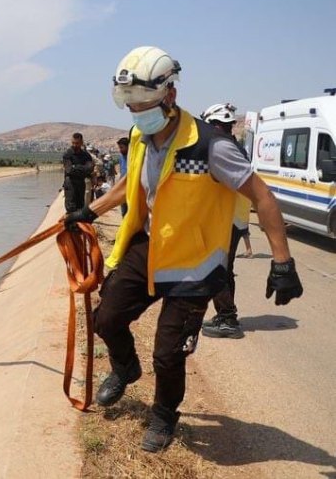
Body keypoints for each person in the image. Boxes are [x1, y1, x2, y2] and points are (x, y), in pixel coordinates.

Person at [64, 46, 303, 452]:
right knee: (106, 318)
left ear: (169, 95)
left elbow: (262, 196)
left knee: (168, 352)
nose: (136, 112)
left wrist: (282, 261)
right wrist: (90, 209)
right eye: (130, 105)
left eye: (144, 103)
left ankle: (163, 416)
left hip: (194, 265)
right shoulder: (141, 135)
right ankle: (124, 368)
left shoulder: (211, 146)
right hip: (152, 248)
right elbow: (132, 181)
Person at [198, 103, 254, 339]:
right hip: (235, 219)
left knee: (216, 269)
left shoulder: (224, 149)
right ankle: (226, 315)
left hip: (226, 220)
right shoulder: (235, 147)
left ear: (215, 125)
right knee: (225, 268)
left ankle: (228, 319)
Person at [62, 132, 94, 212]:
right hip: (70, 182)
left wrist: (75, 167)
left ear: (81, 143)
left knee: (80, 206)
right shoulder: (67, 154)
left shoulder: (86, 155)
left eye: (77, 143)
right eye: (73, 143)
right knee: (71, 207)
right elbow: (69, 170)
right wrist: (83, 168)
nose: (75, 145)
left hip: (81, 182)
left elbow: (90, 169)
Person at [117, 137, 130, 216]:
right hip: (122, 184)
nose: (120, 150)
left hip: (131, 185)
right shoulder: (121, 157)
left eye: (122, 147)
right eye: (119, 147)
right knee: (123, 206)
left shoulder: (133, 156)